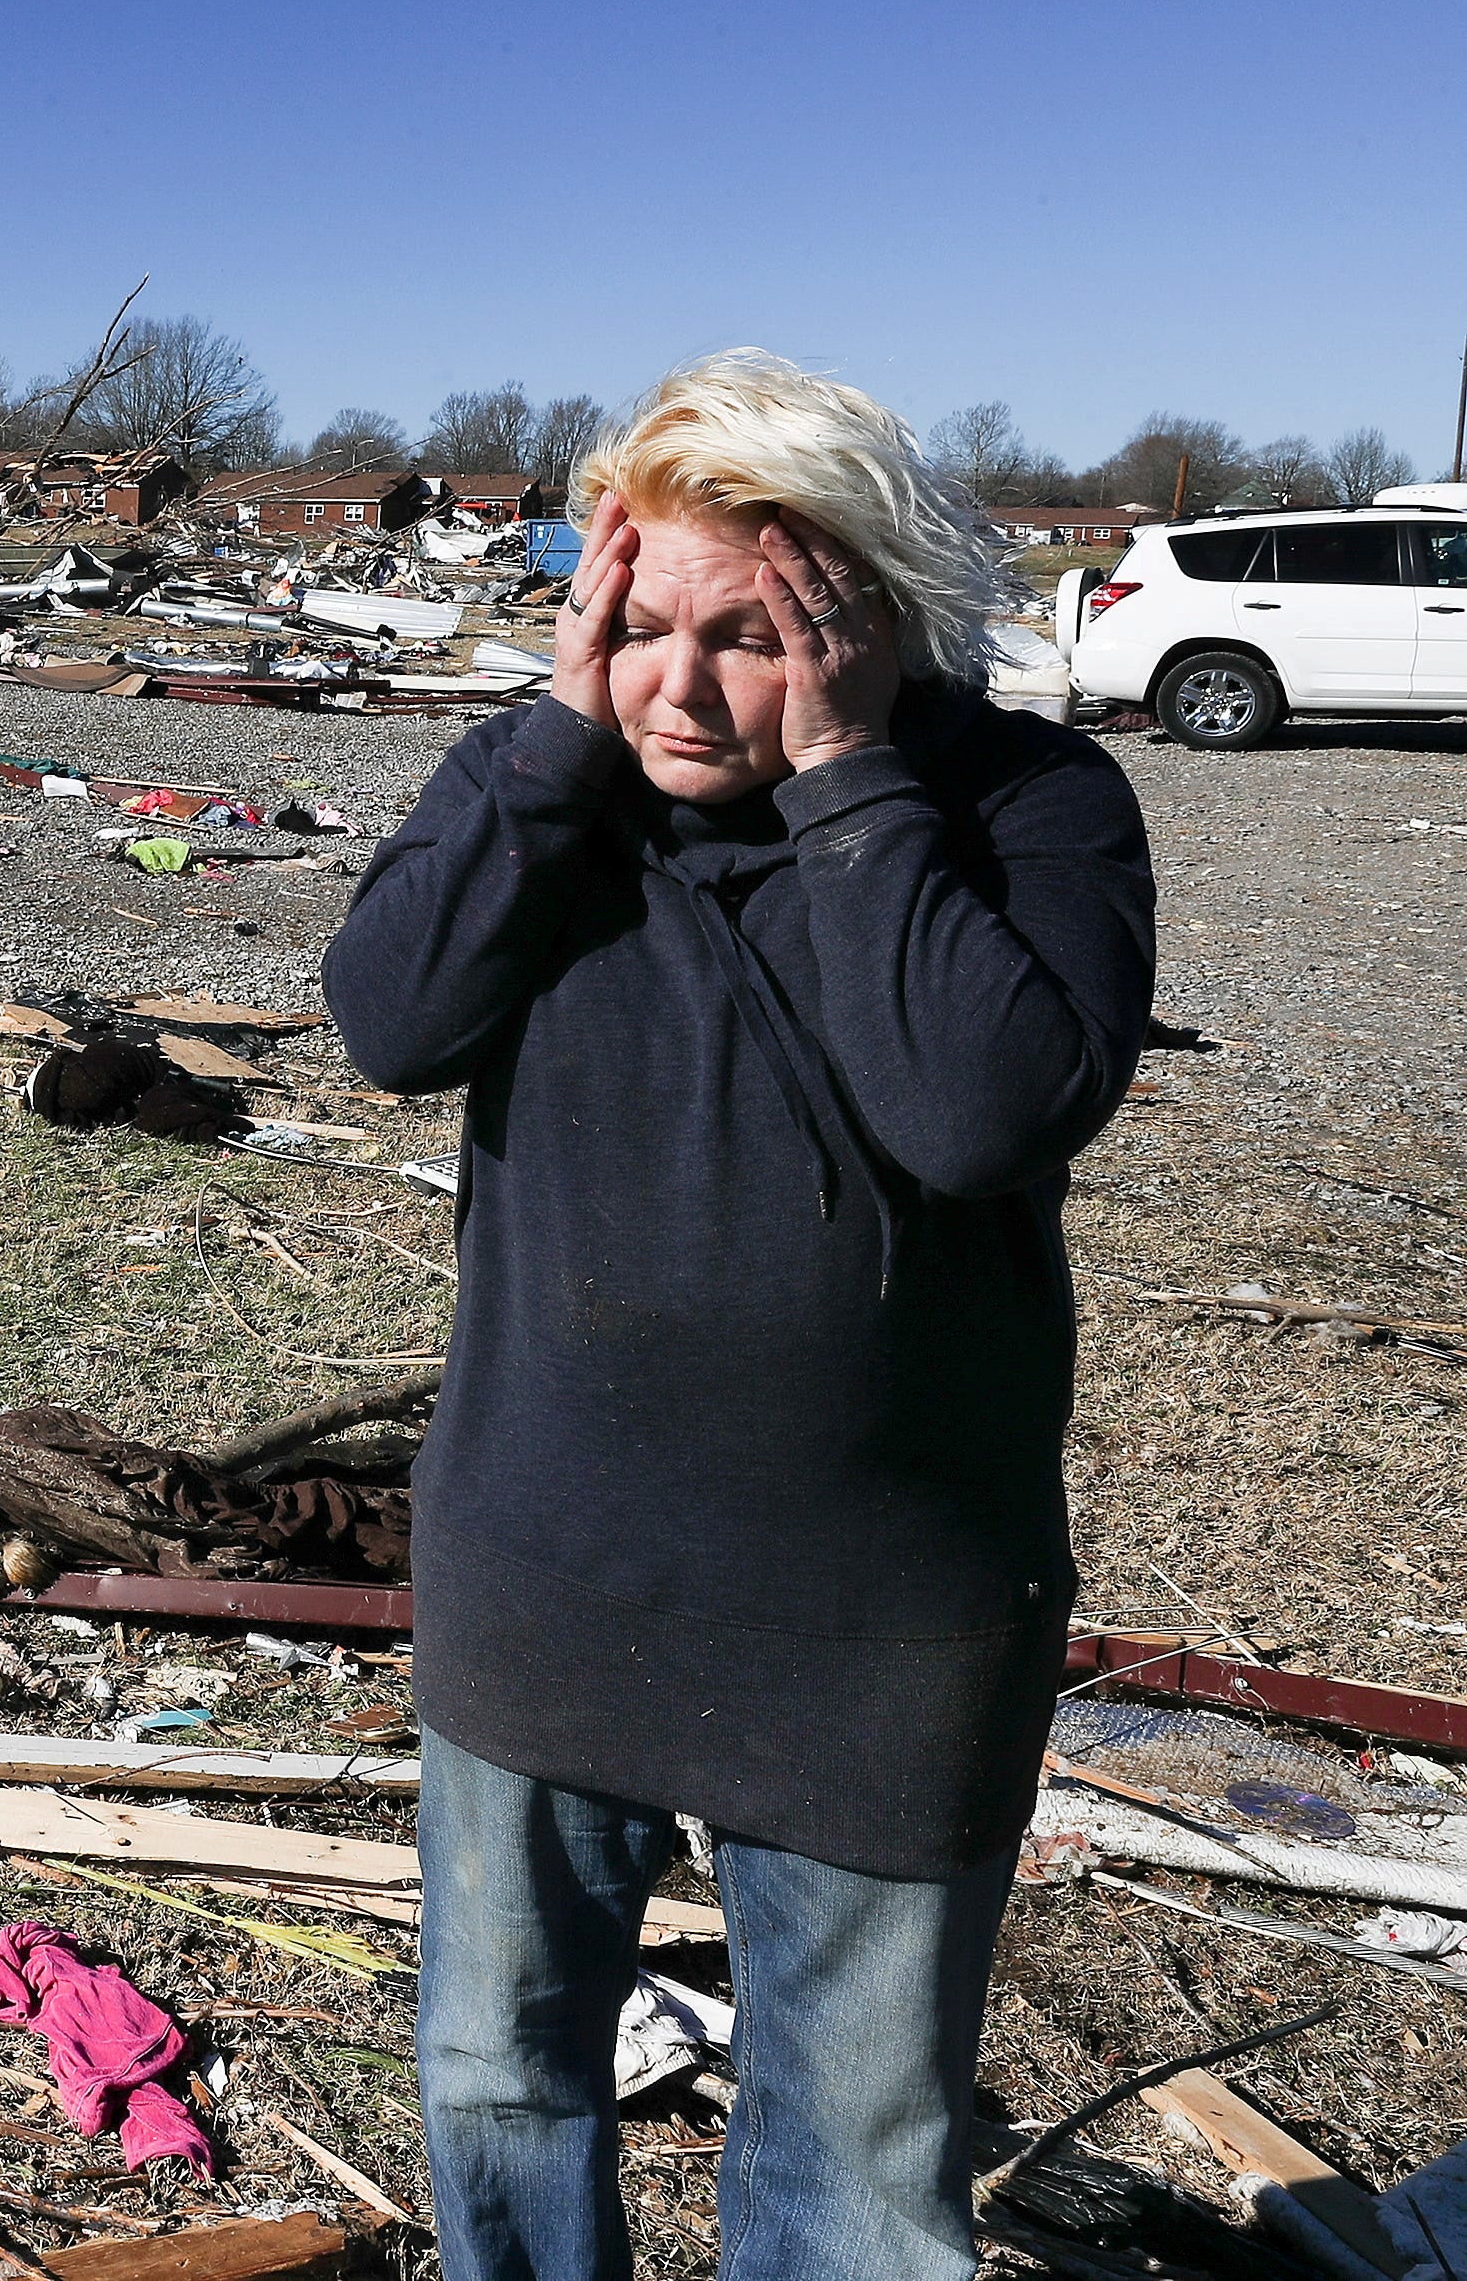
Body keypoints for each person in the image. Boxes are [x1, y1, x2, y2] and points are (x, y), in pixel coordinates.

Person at [319, 350, 1156, 2281]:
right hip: (547, 1571)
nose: (681, 693)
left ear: (868, 619)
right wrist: (547, 737)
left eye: (756, 640)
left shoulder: (1027, 805)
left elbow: (978, 1109)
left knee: (859, 2162)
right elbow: (391, 1019)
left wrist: (857, 780)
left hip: (878, 1613)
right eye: (642, 630)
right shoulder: (549, 786)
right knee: (500, 2080)